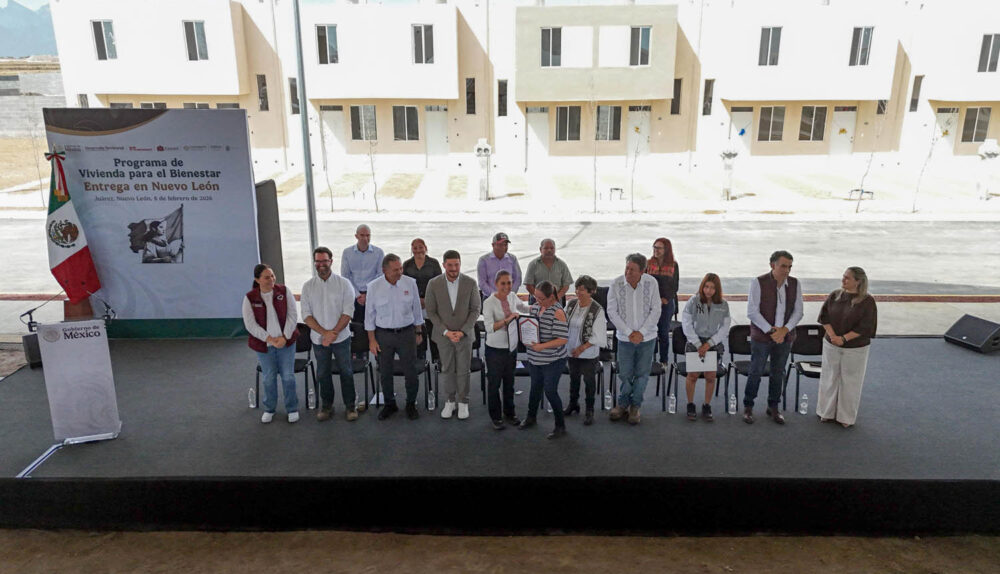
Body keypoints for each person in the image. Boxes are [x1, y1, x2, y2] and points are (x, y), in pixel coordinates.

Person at [743, 250, 804, 425]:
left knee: (778, 373)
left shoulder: (795, 284)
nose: (787, 270)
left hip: (784, 337)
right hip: (762, 337)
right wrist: (772, 332)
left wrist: (784, 330)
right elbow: (752, 312)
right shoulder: (758, 282)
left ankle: (774, 406)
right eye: (783, 266)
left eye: (790, 267)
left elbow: (798, 311)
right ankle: (748, 406)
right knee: (755, 371)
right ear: (772, 265)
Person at [301, 246, 359, 422]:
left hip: (341, 338)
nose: (321, 265)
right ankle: (327, 406)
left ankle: (350, 406)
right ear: (314, 263)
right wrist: (325, 334)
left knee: (346, 372)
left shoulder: (344, 284)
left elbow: (348, 312)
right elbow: (306, 315)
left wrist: (333, 334)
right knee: (322, 373)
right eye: (318, 261)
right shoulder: (308, 286)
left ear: (331, 261)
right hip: (319, 340)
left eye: (324, 261)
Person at [365, 254, 425, 421]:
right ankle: (389, 404)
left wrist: (418, 331)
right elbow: (369, 315)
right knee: (385, 372)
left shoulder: (410, 283)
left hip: (406, 333)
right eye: (395, 270)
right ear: (384, 270)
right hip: (384, 335)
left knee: (411, 371)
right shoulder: (374, 287)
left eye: (400, 268)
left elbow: (416, 309)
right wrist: (372, 340)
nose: (400, 272)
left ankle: (411, 403)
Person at [817, 267, 877, 428]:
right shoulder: (835, 295)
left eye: (847, 278)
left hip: (855, 347)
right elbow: (824, 317)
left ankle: (846, 416)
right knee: (829, 377)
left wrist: (843, 339)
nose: (843, 280)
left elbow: (865, 326)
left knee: (850, 381)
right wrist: (833, 336)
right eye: (843, 277)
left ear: (858, 281)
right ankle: (825, 412)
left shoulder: (867, 301)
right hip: (831, 344)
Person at [425, 250, 481, 420]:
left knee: (464, 369)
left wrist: (463, 331)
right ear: (444, 265)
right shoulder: (433, 284)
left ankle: (463, 401)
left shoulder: (470, 283)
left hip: (464, 335)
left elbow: (475, 310)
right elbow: (431, 311)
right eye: (450, 265)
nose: (454, 268)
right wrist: (446, 331)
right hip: (443, 336)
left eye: (456, 264)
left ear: (460, 264)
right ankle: (450, 401)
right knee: (447, 369)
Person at [607, 253, 661, 425]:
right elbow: (612, 311)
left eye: (632, 269)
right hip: (625, 338)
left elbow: (656, 310)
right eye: (627, 268)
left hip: (647, 338)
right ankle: (623, 403)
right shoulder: (616, 284)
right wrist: (629, 332)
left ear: (642, 271)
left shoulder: (651, 283)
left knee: (642, 374)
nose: (628, 272)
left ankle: (635, 406)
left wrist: (642, 332)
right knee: (625, 373)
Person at [242, 263, 300, 424]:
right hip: (265, 346)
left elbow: (292, 315)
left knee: (288, 377)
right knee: (269, 378)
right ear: (257, 280)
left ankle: (292, 408)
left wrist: (284, 337)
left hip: (285, 343)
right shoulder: (250, 298)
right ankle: (269, 408)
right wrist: (269, 339)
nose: (271, 280)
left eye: (272, 276)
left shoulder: (284, 291)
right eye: (267, 277)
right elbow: (250, 324)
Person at [518, 281, 569, 439]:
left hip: (553, 360)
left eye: (541, 298)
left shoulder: (557, 312)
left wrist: (542, 346)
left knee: (550, 391)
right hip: (535, 358)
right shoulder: (536, 307)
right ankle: (531, 417)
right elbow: (527, 318)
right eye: (535, 297)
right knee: (535, 388)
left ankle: (560, 426)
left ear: (551, 297)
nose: (537, 301)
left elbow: (563, 339)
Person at [482, 269, 529, 430]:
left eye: (509, 283)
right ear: (496, 284)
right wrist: (507, 320)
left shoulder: (512, 296)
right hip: (495, 350)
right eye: (503, 283)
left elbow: (524, 308)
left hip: (511, 348)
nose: (507, 286)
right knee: (494, 384)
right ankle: (496, 417)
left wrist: (540, 308)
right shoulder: (489, 302)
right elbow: (489, 328)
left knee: (509, 383)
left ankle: (510, 413)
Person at [680, 273, 731, 422]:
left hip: (712, 343)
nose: (709, 290)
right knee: (693, 376)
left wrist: (709, 344)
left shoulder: (723, 305)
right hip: (695, 342)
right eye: (706, 287)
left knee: (710, 377)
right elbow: (686, 323)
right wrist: (698, 344)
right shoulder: (694, 301)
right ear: (702, 287)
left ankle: (706, 405)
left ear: (717, 289)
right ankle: (690, 404)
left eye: (712, 288)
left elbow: (725, 327)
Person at [563, 275, 606, 426]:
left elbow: (598, 335)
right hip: (571, 350)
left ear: (591, 291)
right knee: (573, 379)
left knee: (589, 381)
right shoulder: (571, 304)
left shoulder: (597, 310)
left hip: (587, 353)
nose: (578, 292)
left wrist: (581, 348)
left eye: (582, 290)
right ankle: (573, 404)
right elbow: (562, 321)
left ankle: (589, 410)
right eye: (577, 289)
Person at [403, 238, 442, 363]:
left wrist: (427, 299)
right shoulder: (407, 264)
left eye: (420, 247)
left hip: (431, 302)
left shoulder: (433, 263)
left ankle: (437, 359)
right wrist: (416, 300)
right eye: (415, 248)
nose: (418, 250)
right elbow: (404, 284)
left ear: (426, 248)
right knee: (417, 331)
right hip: (413, 303)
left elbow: (439, 283)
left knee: (433, 331)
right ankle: (420, 359)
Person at [341, 224, 384, 323]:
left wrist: (368, 294)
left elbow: (380, 275)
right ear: (356, 236)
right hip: (354, 296)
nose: (365, 238)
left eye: (368, 235)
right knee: (357, 326)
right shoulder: (347, 252)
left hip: (373, 294)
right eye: (362, 235)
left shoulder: (379, 252)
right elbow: (345, 276)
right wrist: (358, 295)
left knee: (375, 323)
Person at [646, 237, 679, 364]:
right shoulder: (648, 263)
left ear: (666, 249)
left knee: (663, 333)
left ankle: (664, 360)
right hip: (650, 303)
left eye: (659, 248)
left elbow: (675, 286)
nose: (656, 250)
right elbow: (644, 283)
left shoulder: (673, 265)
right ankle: (650, 359)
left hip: (666, 303)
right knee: (650, 331)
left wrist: (664, 299)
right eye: (654, 247)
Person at [524, 238, 573, 303]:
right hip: (537, 300)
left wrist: (556, 298)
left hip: (556, 300)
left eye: (552, 248)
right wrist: (539, 298)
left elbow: (566, 285)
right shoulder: (533, 264)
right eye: (546, 248)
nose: (549, 250)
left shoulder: (561, 264)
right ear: (540, 249)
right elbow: (528, 285)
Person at [477, 232, 522, 299]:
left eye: (506, 245)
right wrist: (495, 296)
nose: (504, 247)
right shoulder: (483, 260)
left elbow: (518, 279)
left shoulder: (513, 259)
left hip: (509, 298)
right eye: (500, 245)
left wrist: (510, 294)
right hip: (489, 298)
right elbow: (482, 283)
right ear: (493, 245)